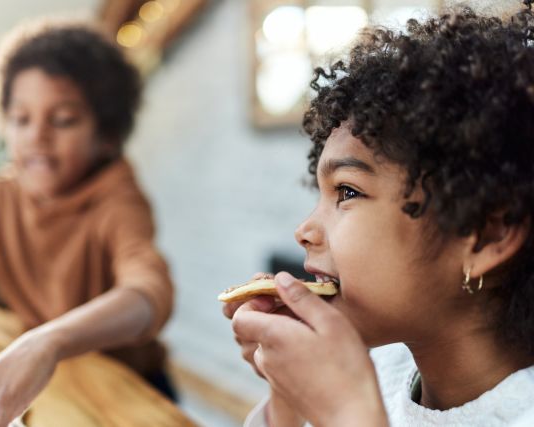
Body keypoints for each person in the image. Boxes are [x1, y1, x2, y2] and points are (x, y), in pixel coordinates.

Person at [225, 4, 534, 426]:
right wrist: (290, 394)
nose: (305, 231)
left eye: (347, 192)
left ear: (485, 234)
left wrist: (349, 414)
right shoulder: (378, 366)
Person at [0, 19, 175, 426]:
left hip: (127, 386)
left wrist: (46, 342)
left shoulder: (118, 198)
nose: (37, 136)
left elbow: (150, 294)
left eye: (62, 120)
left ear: (107, 134)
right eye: (21, 118)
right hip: (50, 378)